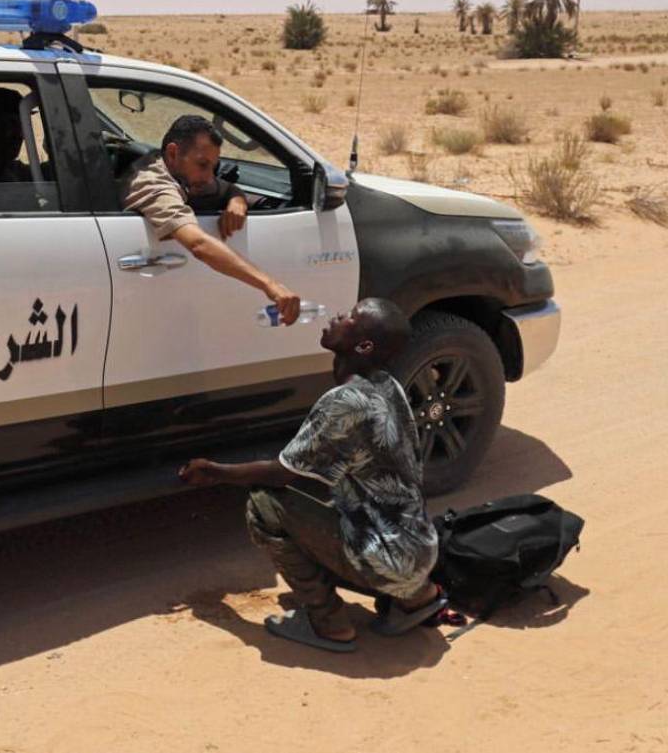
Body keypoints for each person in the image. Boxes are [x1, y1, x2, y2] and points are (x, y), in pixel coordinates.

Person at [178, 298, 450, 653]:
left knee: (264, 505)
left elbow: (280, 475)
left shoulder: (345, 402)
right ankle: (416, 598)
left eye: (350, 317)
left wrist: (215, 471)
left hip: (383, 556)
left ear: (363, 346)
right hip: (419, 548)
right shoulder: (388, 385)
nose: (338, 315)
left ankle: (329, 622)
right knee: (337, 505)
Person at [121, 115, 300, 326]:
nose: (208, 177)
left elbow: (223, 187)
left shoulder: (175, 169)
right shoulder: (153, 184)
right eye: (203, 165)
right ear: (172, 153)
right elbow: (198, 244)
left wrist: (236, 200)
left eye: (213, 167)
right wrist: (270, 285)